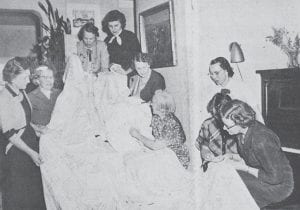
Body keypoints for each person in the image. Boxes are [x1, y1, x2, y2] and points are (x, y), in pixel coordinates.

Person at [39, 55, 259, 210]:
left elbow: (158, 145)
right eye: (210, 73)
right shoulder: (161, 115)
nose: (213, 77)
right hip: (196, 141)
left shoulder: (240, 90)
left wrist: (137, 136)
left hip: (184, 151)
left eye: (216, 73)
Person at [220, 99, 294, 208]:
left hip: (279, 186)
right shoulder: (241, 132)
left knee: (233, 188)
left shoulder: (261, 139)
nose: (224, 128)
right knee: (227, 179)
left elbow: (276, 177)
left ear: (241, 122)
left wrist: (244, 168)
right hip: (263, 174)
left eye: (227, 126)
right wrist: (230, 156)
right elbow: (251, 156)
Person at [0, 57, 46, 209]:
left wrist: (37, 128)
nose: (29, 80)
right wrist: (31, 153)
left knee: (34, 191)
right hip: (16, 150)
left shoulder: (22, 91)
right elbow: (10, 133)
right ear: (13, 78)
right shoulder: (4, 98)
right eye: (25, 77)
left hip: (29, 140)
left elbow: (24, 120)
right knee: (20, 194)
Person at [130, 90, 190, 169]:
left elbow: (155, 146)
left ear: (161, 107)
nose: (150, 104)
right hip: (163, 151)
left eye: (153, 102)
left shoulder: (170, 122)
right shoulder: (156, 118)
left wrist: (137, 135)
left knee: (143, 166)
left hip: (176, 157)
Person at [208, 57, 264, 123]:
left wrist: (264, 131)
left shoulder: (242, 87)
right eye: (211, 74)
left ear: (226, 71)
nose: (214, 77)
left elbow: (256, 112)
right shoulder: (213, 91)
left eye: (216, 73)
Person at [195, 89, 237, 169]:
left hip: (234, 166)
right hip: (214, 165)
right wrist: (207, 154)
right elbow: (202, 144)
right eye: (216, 115)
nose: (218, 118)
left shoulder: (237, 126)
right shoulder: (208, 124)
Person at [102, 10, 141, 85]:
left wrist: (126, 72)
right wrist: (111, 65)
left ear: (122, 24)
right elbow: (106, 60)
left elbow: (138, 57)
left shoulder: (130, 36)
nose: (113, 29)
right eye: (110, 26)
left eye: (116, 25)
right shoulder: (107, 40)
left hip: (130, 75)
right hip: (114, 77)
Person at [28, 66, 61, 135]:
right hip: (41, 135)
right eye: (45, 77)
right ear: (37, 80)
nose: (48, 80)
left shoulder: (60, 94)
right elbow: (26, 121)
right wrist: (37, 129)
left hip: (60, 133)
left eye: (51, 77)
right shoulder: (30, 97)